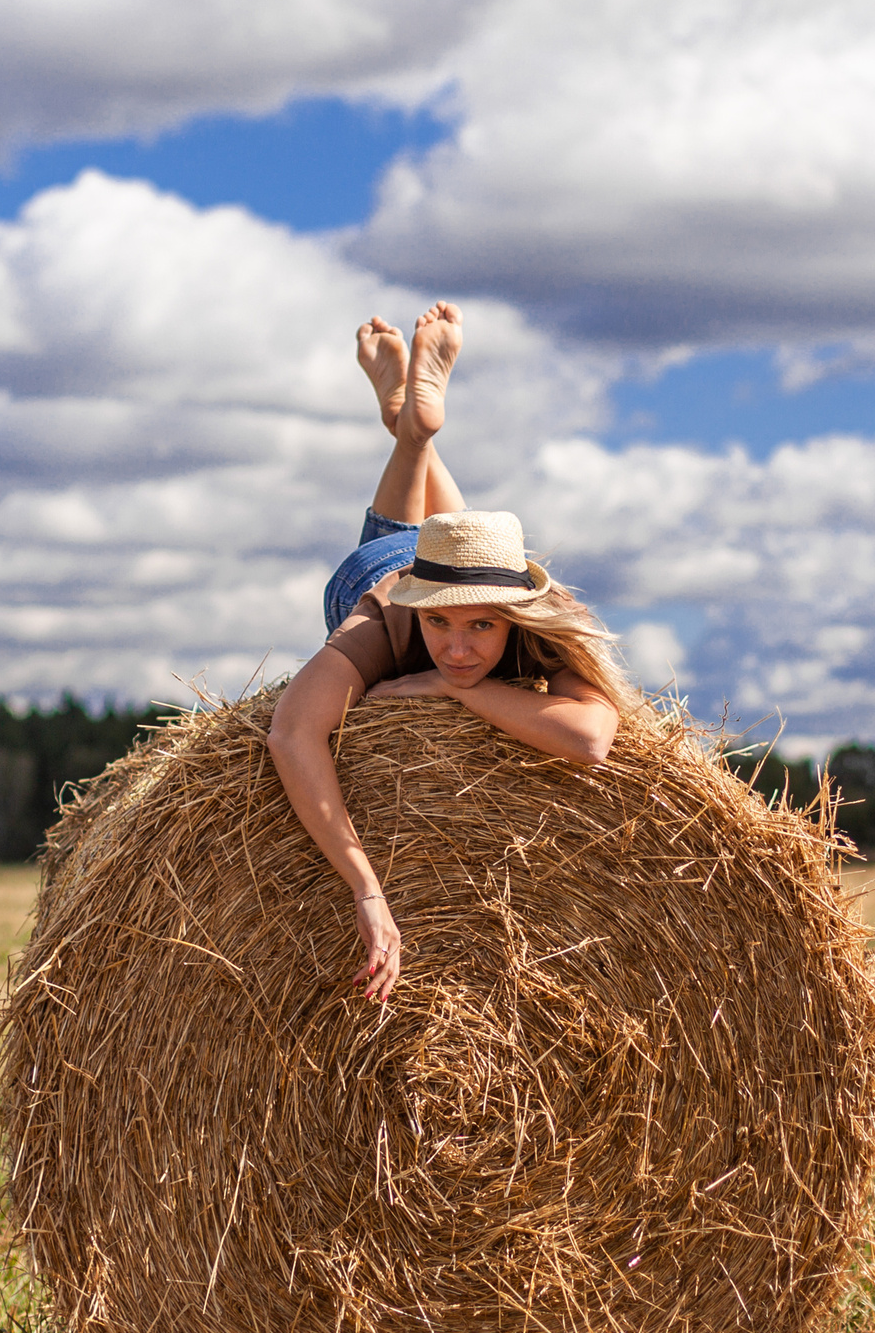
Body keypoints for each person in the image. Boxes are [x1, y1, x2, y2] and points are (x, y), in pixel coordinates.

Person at [267, 302, 640, 1002]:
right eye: (441, 628)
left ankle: (412, 428)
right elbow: (291, 734)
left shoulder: (538, 620)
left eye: (480, 629)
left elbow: (592, 740)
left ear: (514, 616)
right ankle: (411, 431)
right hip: (388, 567)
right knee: (425, 548)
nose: (459, 647)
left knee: (465, 545)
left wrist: (453, 689)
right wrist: (367, 891)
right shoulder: (384, 619)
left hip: (455, 560)